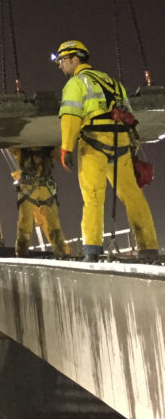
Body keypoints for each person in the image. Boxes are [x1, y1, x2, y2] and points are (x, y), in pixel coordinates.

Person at [53, 40, 158, 262]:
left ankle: (92, 249)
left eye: (62, 60)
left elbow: (70, 118)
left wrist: (66, 149)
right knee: (133, 195)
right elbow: (129, 115)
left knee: (93, 196)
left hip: (93, 143)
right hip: (120, 142)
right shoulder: (112, 82)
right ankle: (149, 248)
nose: (60, 65)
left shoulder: (76, 83)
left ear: (74, 59)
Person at [10, 147, 67, 257]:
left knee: (53, 223)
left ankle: (60, 251)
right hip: (31, 186)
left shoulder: (48, 148)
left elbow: (60, 153)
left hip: (42, 186)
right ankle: (22, 252)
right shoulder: (25, 149)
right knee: (25, 222)